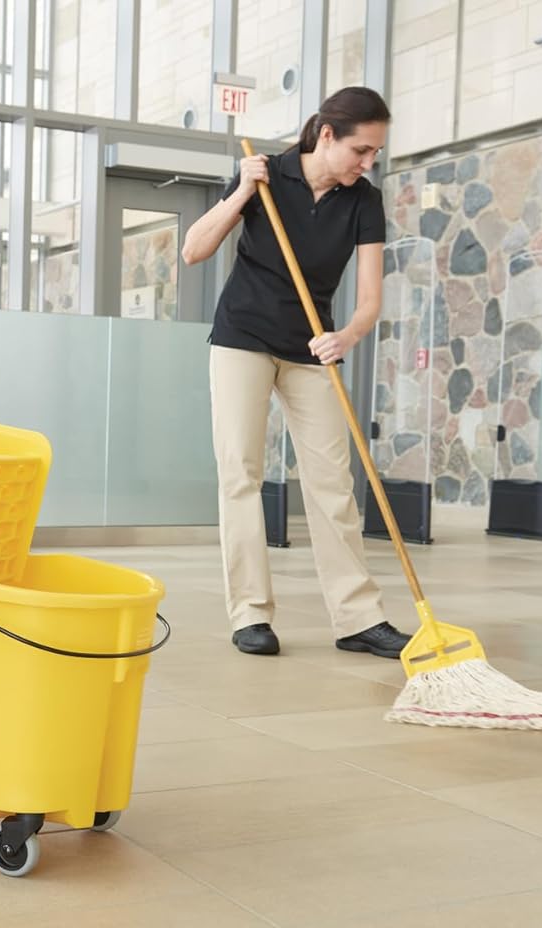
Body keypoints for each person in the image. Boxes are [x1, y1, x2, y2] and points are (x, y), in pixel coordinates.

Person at [181, 86, 412, 659]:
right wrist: (241, 191)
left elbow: (369, 299)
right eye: (360, 150)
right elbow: (194, 250)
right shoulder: (266, 176)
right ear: (327, 135)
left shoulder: (364, 201)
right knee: (241, 474)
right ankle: (251, 614)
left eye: (375, 153)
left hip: (313, 347)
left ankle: (359, 618)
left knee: (333, 481)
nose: (368, 162)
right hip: (243, 338)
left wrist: (347, 336)